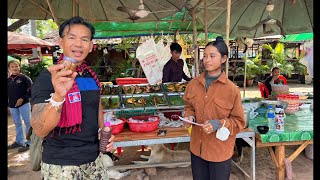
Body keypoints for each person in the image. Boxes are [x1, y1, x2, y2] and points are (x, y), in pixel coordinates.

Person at [30, 16, 115, 179]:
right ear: (61, 42)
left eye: (84, 39)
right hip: (61, 165)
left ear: (91, 46)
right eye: (72, 37)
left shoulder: (91, 76)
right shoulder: (48, 78)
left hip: (94, 160)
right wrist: (58, 96)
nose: (78, 44)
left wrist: (104, 131)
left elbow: (96, 106)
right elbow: (40, 129)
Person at [183, 36, 245, 180]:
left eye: (212, 56)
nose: (207, 60)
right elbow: (189, 106)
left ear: (223, 59)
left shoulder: (231, 90)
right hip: (197, 149)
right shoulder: (193, 84)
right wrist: (189, 115)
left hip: (219, 151)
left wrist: (219, 123)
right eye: (204, 56)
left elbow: (238, 122)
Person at [8, 60, 32, 152]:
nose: (15, 68)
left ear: (19, 67)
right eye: (12, 67)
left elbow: (30, 90)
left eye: (16, 66)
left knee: (28, 123)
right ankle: (19, 142)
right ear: (9, 69)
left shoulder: (25, 78)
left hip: (24, 104)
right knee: (17, 124)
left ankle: (30, 143)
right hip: (12, 106)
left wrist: (22, 98)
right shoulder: (8, 80)